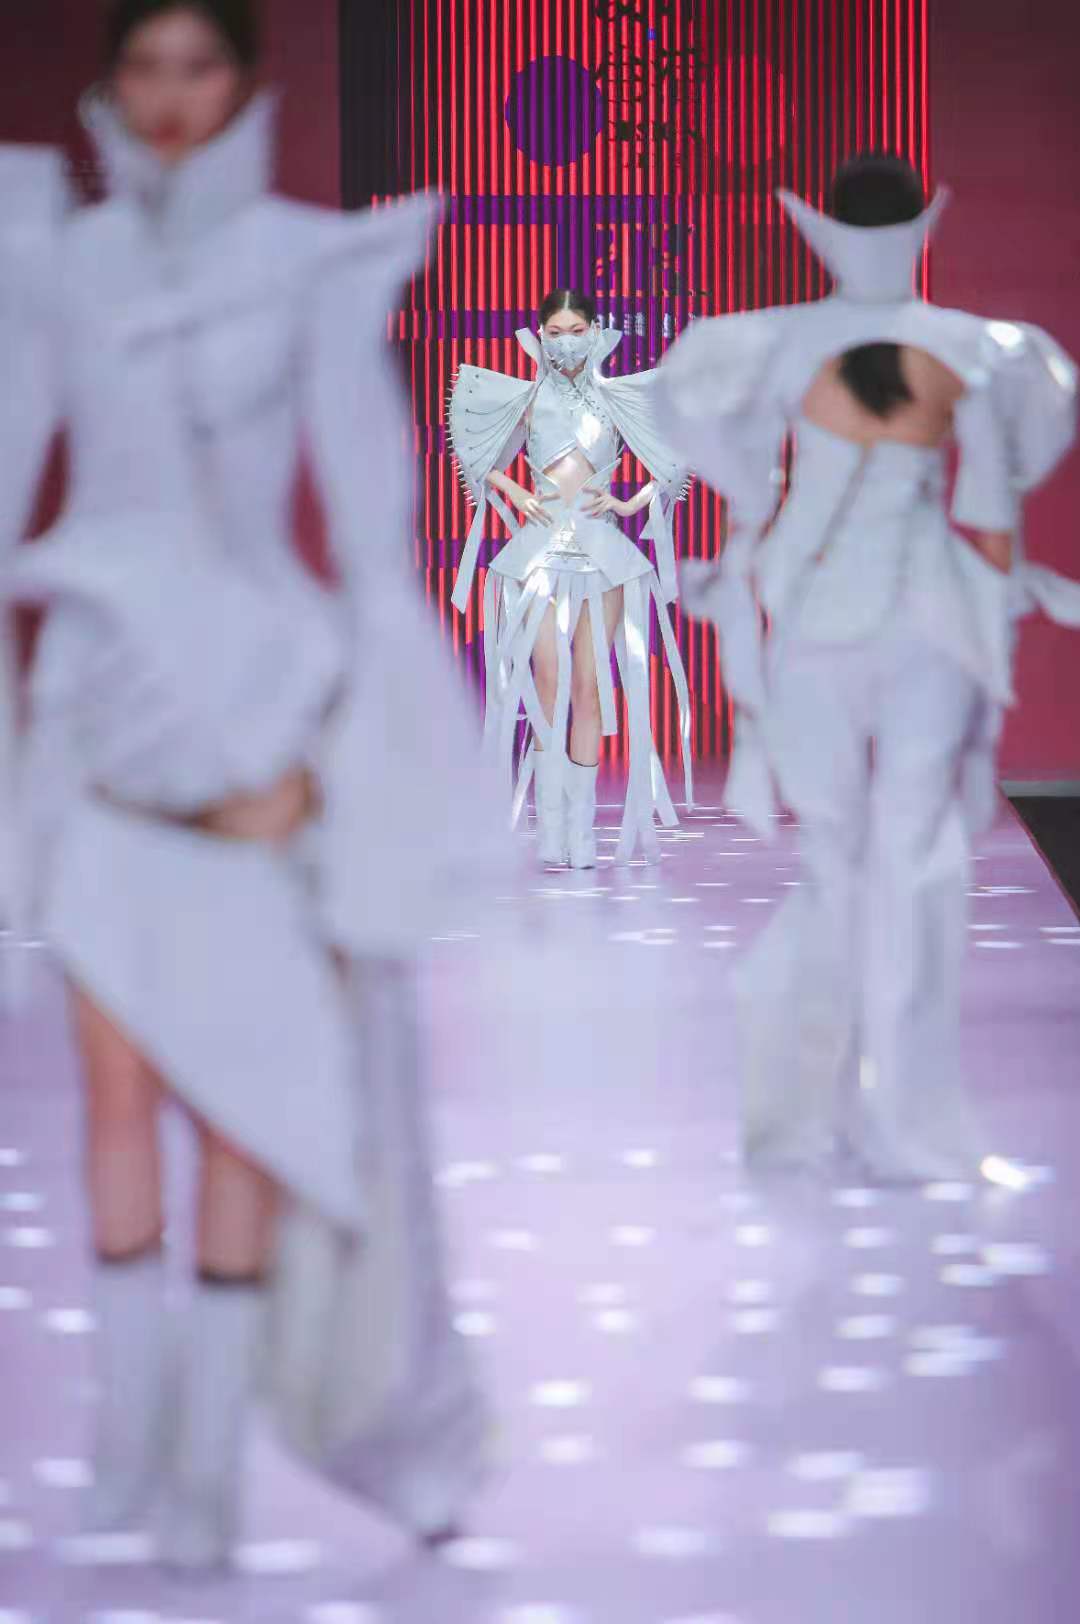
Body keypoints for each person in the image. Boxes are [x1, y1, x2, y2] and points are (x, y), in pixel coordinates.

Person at [0, 0, 501, 1571]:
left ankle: (206, 1468)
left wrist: (379, 740)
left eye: (197, 65)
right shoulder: (58, 260)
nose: (168, 96)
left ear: (244, 82)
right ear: (109, 84)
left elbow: (365, 515)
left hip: (259, 722)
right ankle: (128, 1445)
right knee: (117, 1095)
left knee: (243, 1102)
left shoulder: (305, 260)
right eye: (142, 67)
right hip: (102, 711)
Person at [653, 153, 1079, 1183]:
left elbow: (738, 476)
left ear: (825, 229)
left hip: (814, 622)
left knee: (840, 865)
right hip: (928, 618)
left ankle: (817, 1110)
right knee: (913, 858)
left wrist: (746, 558)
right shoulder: (978, 351)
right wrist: (1009, 610)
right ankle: (902, 1118)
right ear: (921, 226)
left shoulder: (771, 343)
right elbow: (990, 515)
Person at [449, 289, 694, 866]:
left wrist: (630, 504)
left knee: (588, 686)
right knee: (547, 685)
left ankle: (581, 832)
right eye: (554, 332)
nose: (565, 342)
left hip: (602, 553)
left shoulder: (617, 397)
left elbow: (676, 454)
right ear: (540, 335)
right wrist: (513, 490)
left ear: (594, 331)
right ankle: (550, 830)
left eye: (575, 330)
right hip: (537, 553)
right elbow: (477, 453)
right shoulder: (527, 398)